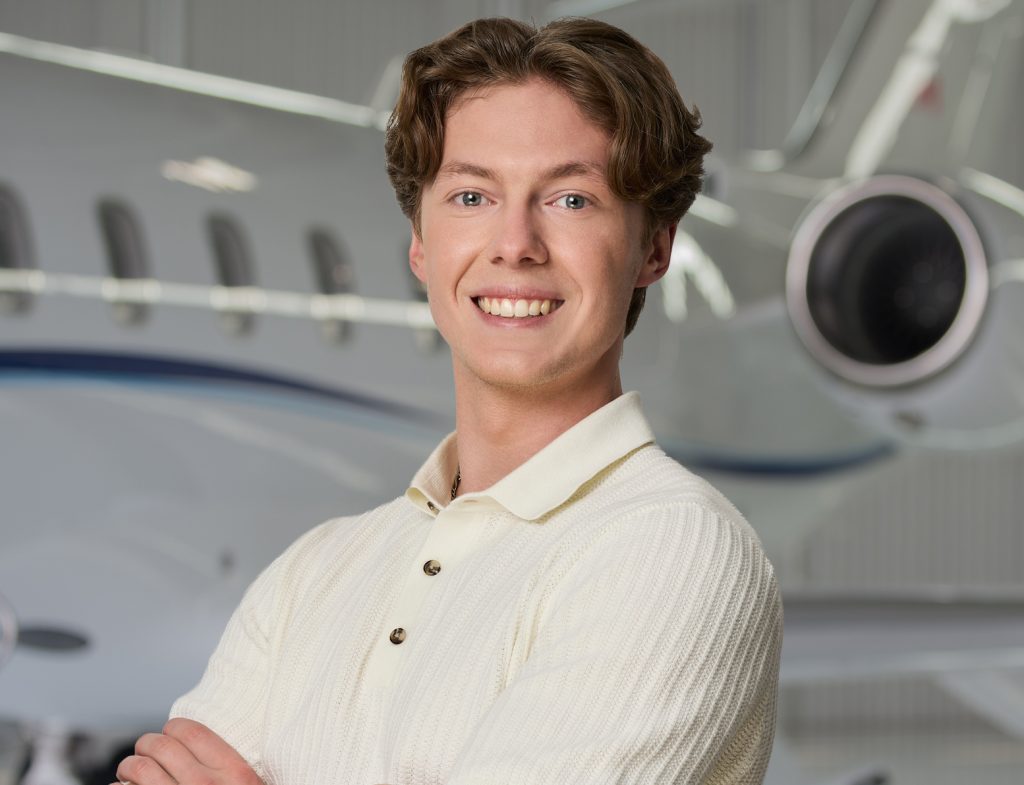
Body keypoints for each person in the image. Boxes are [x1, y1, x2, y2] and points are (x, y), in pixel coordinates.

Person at [115, 15, 782, 785]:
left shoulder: (676, 548)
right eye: (471, 196)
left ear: (653, 248)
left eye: (571, 199)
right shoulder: (312, 573)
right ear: (420, 243)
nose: (515, 243)